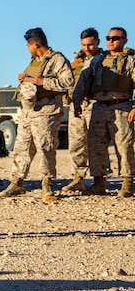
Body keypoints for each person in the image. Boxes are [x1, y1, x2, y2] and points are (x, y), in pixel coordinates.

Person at [0, 29, 73, 198]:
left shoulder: (57, 60)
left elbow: (68, 82)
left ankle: (47, 183)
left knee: (45, 147)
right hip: (28, 112)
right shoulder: (35, 61)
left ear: (35, 44)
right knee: (21, 147)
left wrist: (43, 82)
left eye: (28, 45)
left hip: (46, 111)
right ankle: (17, 182)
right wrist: (25, 78)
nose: (27, 48)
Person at [71, 27, 135, 197]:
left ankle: (127, 183)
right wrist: (76, 103)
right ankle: (99, 182)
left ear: (124, 41)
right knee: (95, 145)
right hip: (99, 106)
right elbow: (82, 83)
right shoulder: (97, 61)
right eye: (108, 38)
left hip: (121, 106)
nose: (111, 41)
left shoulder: (130, 60)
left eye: (115, 38)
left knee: (124, 145)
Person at [61, 28, 101, 194]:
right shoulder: (77, 61)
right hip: (77, 106)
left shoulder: (103, 60)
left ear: (97, 42)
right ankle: (78, 178)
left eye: (90, 44)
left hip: (95, 104)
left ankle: (100, 180)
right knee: (76, 143)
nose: (87, 48)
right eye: (84, 45)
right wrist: (71, 66)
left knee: (96, 144)